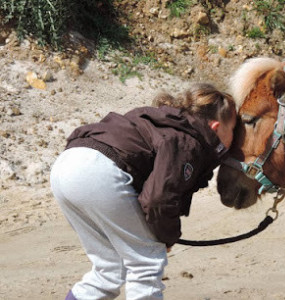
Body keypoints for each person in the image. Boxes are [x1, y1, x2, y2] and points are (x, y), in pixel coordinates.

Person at [50, 83, 237, 300]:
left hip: (66, 166)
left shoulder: (163, 120)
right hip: (100, 172)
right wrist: (166, 237)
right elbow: (159, 199)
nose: (233, 138)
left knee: (109, 268)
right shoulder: (187, 142)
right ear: (216, 127)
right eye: (233, 129)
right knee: (146, 263)